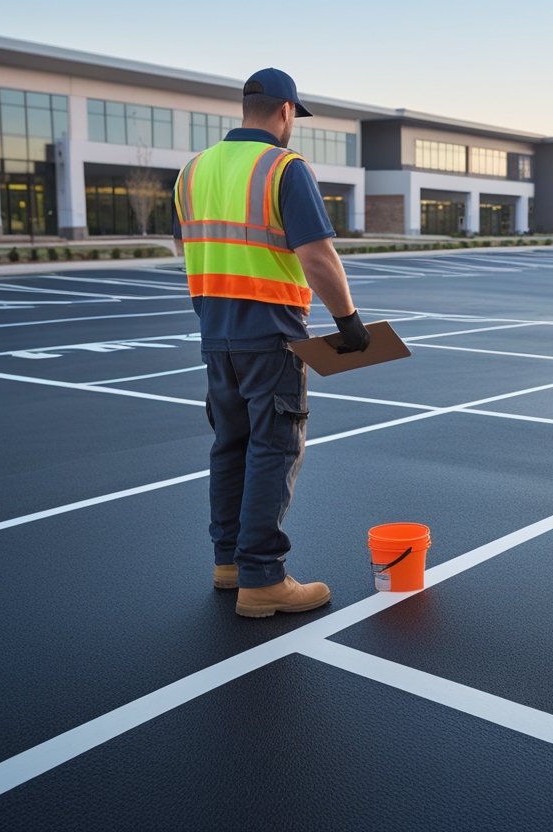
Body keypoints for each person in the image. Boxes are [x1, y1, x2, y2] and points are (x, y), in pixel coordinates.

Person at [173, 68, 370, 618]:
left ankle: (230, 563)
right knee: (273, 447)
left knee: (230, 446)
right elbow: (316, 256)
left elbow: (190, 247)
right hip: (272, 336)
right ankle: (263, 577)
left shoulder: (193, 171)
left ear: (246, 108)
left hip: (216, 336)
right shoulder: (284, 167)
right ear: (286, 112)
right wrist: (349, 321)